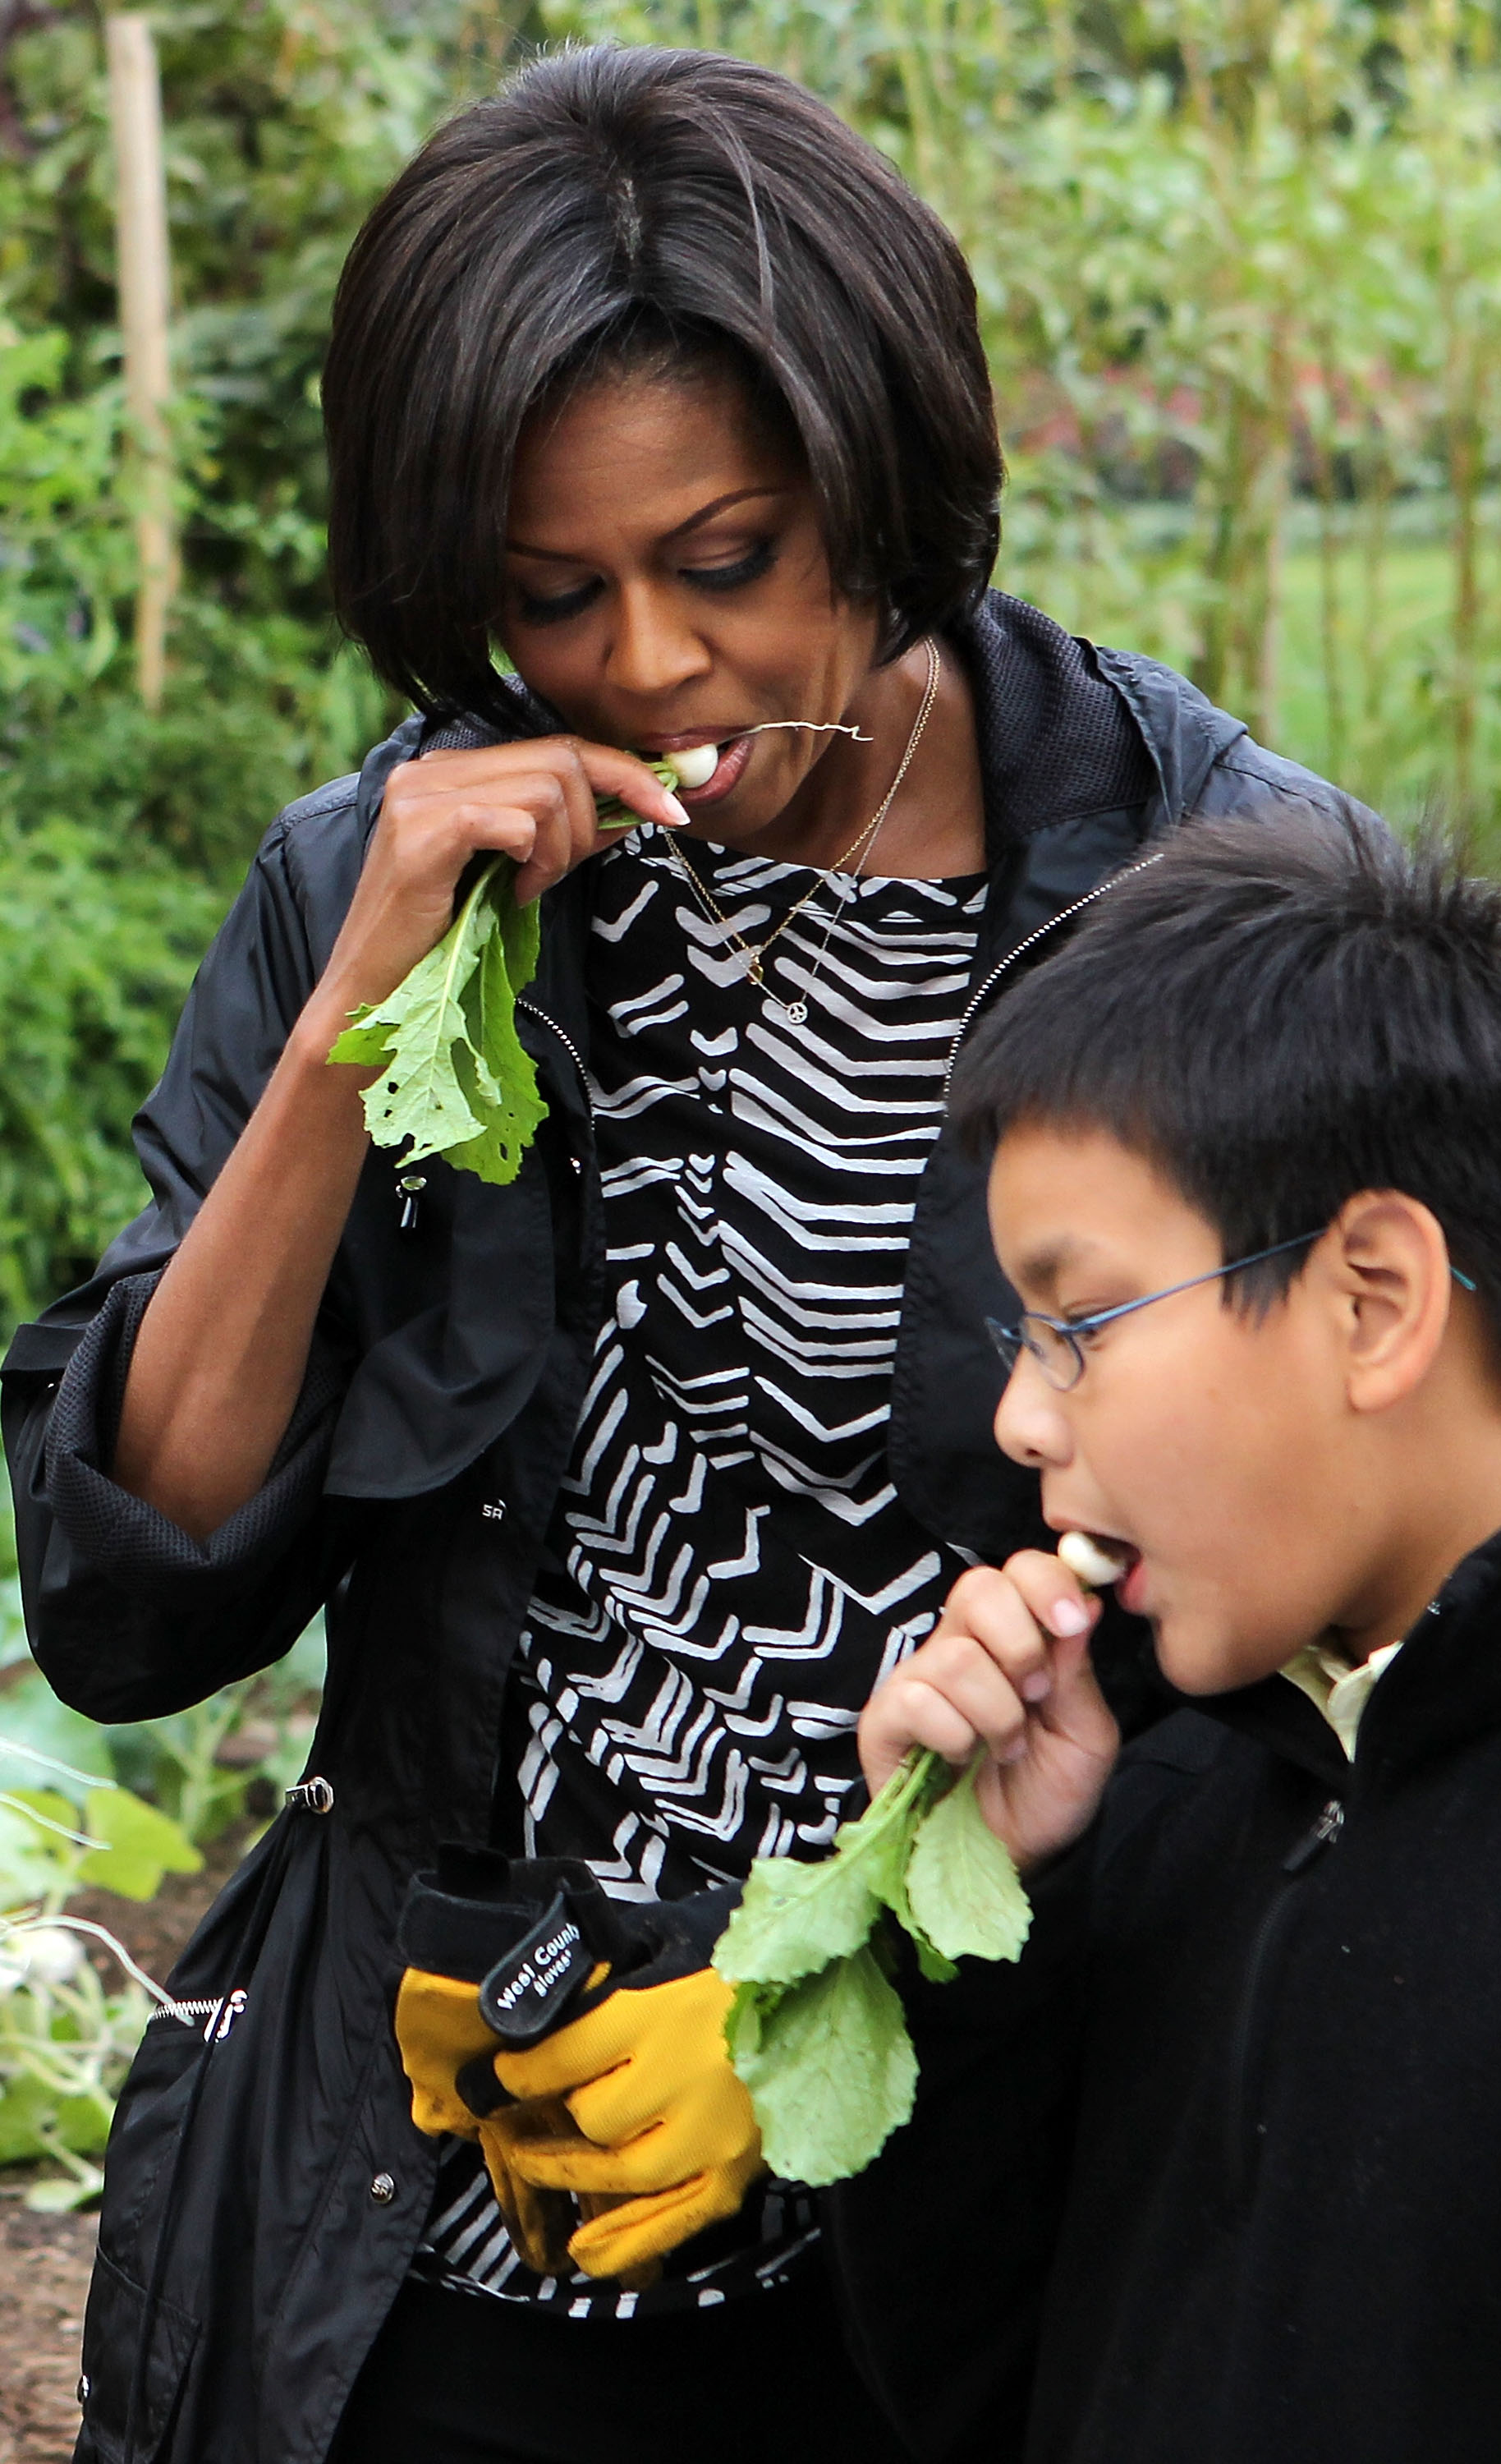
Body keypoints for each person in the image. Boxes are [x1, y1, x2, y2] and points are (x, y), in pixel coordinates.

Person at [0, 41, 1355, 2464]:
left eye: (726, 560)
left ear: (882, 476)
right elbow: (136, 1596)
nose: (644, 664)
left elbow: (1318, 1606)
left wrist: (829, 2010)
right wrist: (348, 1022)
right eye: (550, 598)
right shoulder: (385, 879)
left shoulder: (1203, 890)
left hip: (970, 2208)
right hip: (432, 2185)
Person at [831, 809, 1501, 2464]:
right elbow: (966, 2390)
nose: (1015, 1421)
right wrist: (980, 1926)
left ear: (1370, 1302)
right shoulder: (1167, 1789)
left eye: (1072, 1326)